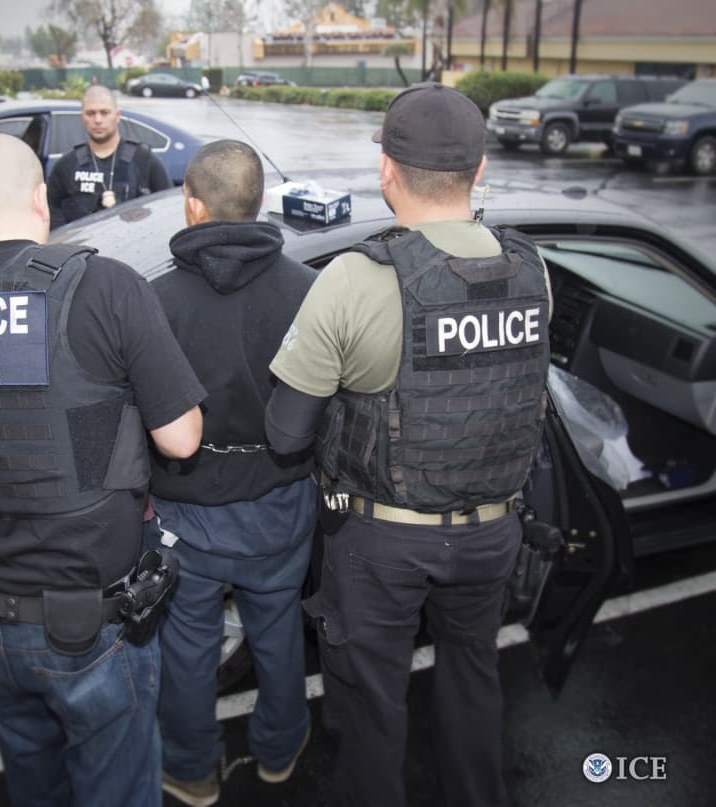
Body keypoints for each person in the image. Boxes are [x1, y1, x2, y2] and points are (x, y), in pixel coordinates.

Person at [0, 131, 205, 807]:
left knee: (34, 783)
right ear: (41, 201)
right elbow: (181, 440)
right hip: (89, 622)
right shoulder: (105, 288)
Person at [264, 83, 553, 807]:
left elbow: (285, 431)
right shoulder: (533, 270)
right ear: (480, 170)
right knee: (474, 677)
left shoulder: (356, 278)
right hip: (494, 531)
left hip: (382, 542)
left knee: (372, 708)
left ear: (386, 170)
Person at [146, 139, 319, 807]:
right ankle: (280, 750)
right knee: (277, 631)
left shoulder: (155, 300)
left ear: (193, 206)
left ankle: (192, 770)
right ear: (258, 203)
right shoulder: (308, 290)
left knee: (187, 648)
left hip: (185, 511)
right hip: (279, 499)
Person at [47, 85, 172, 226]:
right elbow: (51, 212)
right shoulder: (67, 165)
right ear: (82, 117)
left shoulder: (143, 160)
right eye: (90, 113)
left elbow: (167, 208)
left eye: (104, 112)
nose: (98, 120)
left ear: (117, 116)